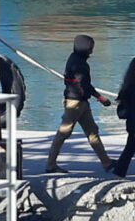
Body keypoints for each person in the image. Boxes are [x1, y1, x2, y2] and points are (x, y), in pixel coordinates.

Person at [45, 35, 113, 174]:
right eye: (90, 49)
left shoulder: (73, 58)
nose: (91, 52)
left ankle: (106, 162)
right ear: (86, 49)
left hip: (81, 102)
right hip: (75, 103)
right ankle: (50, 164)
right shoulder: (80, 64)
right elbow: (84, 85)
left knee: (92, 131)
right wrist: (101, 98)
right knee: (63, 133)